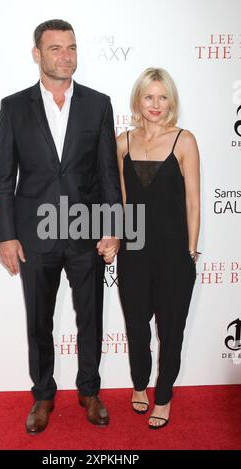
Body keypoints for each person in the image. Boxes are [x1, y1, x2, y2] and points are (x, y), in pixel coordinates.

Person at [0, 19, 121, 434]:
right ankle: (43, 395)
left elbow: (107, 173)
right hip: (34, 234)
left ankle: (90, 390)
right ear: (37, 54)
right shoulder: (13, 107)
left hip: (87, 231)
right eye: (55, 48)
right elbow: (3, 178)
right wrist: (6, 235)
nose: (65, 55)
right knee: (38, 321)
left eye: (71, 47)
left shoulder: (98, 104)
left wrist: (112, 227)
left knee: (91, 317)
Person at [116, 68, 200, 429]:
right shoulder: (123, 142)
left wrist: (191, 252)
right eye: (148, 97)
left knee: (171, 329)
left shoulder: (184, 141)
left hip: (173, 254)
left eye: (162, 97)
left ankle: (163, 395)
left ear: (171, 100)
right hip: (133, 251)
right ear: (138, 99)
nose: (155, 104)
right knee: (136, 325)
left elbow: (194, 202)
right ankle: (139, 384)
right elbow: (118, 201)